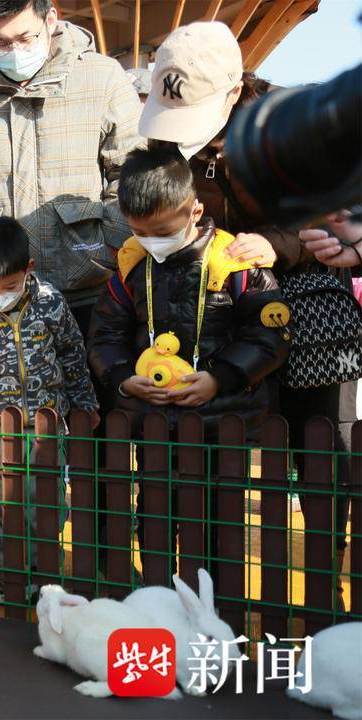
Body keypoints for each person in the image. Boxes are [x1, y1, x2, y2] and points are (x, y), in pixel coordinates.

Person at [140, 22, 356, 599]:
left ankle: (322, 585)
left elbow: (333, 213)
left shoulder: (292, 125)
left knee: (315, 456)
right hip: (226, 322)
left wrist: (277, 244)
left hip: (305, 318)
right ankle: (214, 591)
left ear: (234, 92)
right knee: (219, 455)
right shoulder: (171, 145)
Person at [87, 147, 288, 576]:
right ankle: (160, 600)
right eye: (139, 231)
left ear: (194, 209)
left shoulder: (236, 262)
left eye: (161, 230)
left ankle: (214, 618)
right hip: (153, 423)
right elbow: (106, 335)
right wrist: (123, 378)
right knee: (157, 517)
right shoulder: (131, 265)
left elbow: (270, 334)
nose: (150, 240)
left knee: (219, 525)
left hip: (223, 423)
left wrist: (221, 378)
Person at [0, 0, 143, 331]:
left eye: (26, 38)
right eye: (2, 42)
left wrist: (114, 243)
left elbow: (131, 170)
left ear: (50, 19)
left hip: (92, 285)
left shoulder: (102, 77)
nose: (15, 50)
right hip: (0, 289)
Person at [0, 216, 98, 571]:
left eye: (10, 285)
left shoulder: (50, 302)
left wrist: (84, 403)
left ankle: (42, 573)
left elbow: (72, 352)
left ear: (28, 269)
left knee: (47, 502)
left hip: (46, 426)